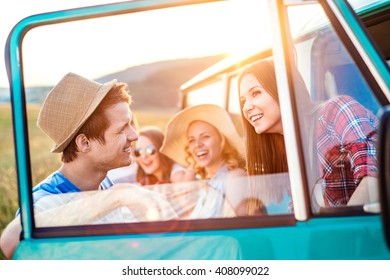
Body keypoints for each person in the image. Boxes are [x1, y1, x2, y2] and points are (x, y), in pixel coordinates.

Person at [0, 73, 176, 259]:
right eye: (122, 128)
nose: (134, 135)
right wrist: (118, 196)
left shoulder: (103, 182)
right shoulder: (46, 200)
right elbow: (10, 241)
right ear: (84, 143)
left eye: (131, 124)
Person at [237, 59, 379, 207]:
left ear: (284, 90)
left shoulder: (335, 111)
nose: (246, 107)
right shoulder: (289, 152)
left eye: (256, 93)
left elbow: (373, 176)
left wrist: (340, 230)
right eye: (243, 101)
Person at [160, 104, 247, 218]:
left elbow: (243, 228)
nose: (198, 144)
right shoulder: (203, 182)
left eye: (205, 136)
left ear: (222, 140)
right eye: (192, 140)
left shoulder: (234, 178)